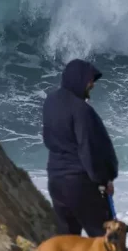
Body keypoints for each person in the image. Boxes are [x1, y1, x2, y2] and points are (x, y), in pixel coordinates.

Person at [42, 58, 119, 237]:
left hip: (55, 181)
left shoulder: (50, 102)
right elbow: (89, 150)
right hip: (79, 183)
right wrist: (103, 180)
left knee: (68, 242)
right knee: (102, 240)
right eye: (89, 79)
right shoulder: (81, 110)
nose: (92, 84)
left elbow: (48, 138)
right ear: (78, 79)